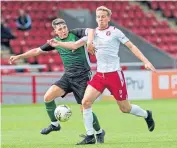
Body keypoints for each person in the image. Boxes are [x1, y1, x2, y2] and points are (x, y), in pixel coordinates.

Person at [47, 6, 156, 145]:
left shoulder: (115, 32)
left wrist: (145, 62)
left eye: (103, 16)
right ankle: (90, 135)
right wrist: (58, 43)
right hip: (100, 75)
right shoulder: (92, 35)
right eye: (98, 17)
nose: (100, 19)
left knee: (125, 108)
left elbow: (131, 47)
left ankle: (147, 114)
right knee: (85, 103)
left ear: (108, 18)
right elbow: (74, 45)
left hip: (114, 75)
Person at [9, 18, 105, 144]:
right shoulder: (55, 42)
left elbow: (91, 30)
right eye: (60, 29)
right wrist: (19, 56)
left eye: (64, 27)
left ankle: (98, 132)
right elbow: (37, 51)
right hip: (68, 76)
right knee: (48, 97)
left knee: (84, 109)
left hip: (82, 76)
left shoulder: (76, 34)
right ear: (55, 31)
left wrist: (90, 42)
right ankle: (55, 124)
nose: (63, 30)